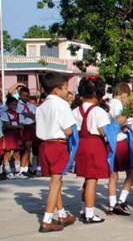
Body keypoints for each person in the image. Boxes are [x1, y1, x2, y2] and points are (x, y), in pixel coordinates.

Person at [35, 73, 77, 232]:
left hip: (44, 145)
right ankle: (46, 220)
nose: (67, 91)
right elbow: (67, 129)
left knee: (56, 181)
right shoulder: (62, 105)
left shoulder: (42, 106)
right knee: (55, 183)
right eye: (65, 88)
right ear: (56, 90)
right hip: (58, 145)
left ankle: (61, 214)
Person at [73, 76, 111, 223]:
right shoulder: (99, 112)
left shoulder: (76, 110)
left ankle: (84, 209)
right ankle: (89, 214)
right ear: (97, 93)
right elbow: (104, 132)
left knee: (86, 179)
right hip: (94, 145)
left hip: (81, 144)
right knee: (92, 180)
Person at [107, 83, 133, 216]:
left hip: (111, 141)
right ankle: (121, 201)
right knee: (131, 172)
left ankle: (112, 205)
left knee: (113, 175)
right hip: (120, 141)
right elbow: (120, 120)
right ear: (124, 94)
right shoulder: (117, 104)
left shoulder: (110, 103)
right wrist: (129, 110)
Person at [15, 86, 38, 178]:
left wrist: (29, 115)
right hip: (22, 127)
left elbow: (35, 116)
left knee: (29, 148)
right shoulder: (17, 105)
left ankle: (25, 169)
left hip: (31, 127)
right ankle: (21, 169)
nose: (26, 97)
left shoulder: (31, 106)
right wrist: (30, 115)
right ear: (20, 95)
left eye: (27, 96)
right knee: (24, 149)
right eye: (24, 96)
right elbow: (19, 117)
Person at [1, 97, 25, 179]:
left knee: (17, 152)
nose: (14, 106)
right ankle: (8, 172)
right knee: (7, 152)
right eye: (12, 104)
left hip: (17, 136)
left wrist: (21, 137)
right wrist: (18, 126)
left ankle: (17, 172)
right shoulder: (5, 114)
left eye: (15, 104)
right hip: (8, 136)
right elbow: (7, 125)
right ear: (8, 105)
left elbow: (22, 127)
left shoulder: (19, 115)